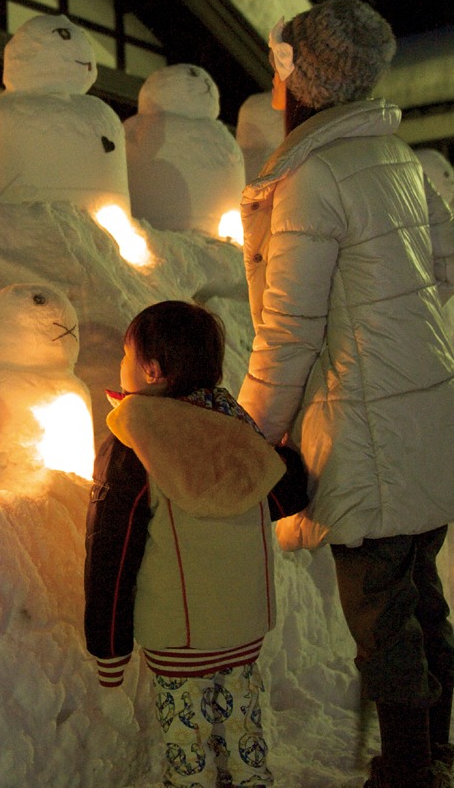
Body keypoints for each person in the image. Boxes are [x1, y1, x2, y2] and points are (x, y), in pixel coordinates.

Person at [237, 0, 454, 788]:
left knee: (380, 611)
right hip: (428, 406)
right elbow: (453, 260)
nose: (275, 84)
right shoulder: (395, 159)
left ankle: (407, 770)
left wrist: (247, 436)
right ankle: (434, 747)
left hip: (368, 427)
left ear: (304, 79)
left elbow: (290, 330)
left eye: (282, 67)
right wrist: (393, 326)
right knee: (419, 590)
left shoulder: (312, 178)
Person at [84, 300, 285, 788]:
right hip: (244, 631)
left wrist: (109, 652)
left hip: (179, 640)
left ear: (151, 371)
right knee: (243, 740)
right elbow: (281, 492)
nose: (121, 364)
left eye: (126, 355)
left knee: (189, 749)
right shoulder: (238, 427)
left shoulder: (135, 443)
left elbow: (113, 550)